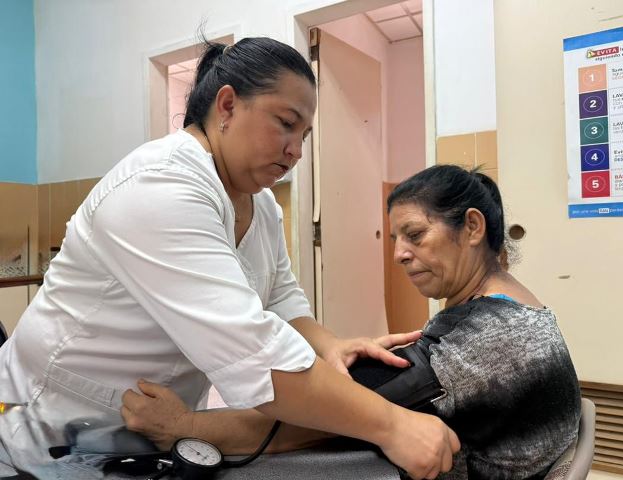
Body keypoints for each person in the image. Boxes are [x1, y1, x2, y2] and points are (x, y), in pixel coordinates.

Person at [0, 38, 459, 479]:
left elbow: (280, 299)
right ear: (227, 106)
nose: (296, 150)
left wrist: (329, 345)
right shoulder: (159, 186)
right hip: (48, 426)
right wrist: (392, 425)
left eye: (304, 134)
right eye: (286, 123)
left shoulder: (261, 205)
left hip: (141, 434)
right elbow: (255, 354)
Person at [122, 165, 581, 479]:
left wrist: (184, 425)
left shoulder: (476, 344)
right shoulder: (521, 307)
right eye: (396, 238)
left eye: (415, 235)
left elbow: (309, 422)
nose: (399, 254)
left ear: (473, 228)